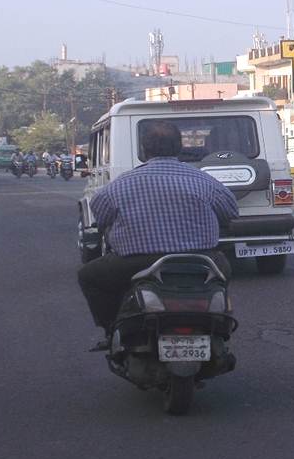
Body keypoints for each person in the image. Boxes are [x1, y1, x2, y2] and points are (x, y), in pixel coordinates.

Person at [77, 121, 239, 344]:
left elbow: (100, 217)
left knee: (88, 276)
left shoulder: (119, 185)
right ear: (179, 147)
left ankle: (112, 328)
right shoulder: (205, 181)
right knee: (223, 274)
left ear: (144, 150)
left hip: (134, 262)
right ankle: (218, 327)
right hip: (201, 260)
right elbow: (230, 212)